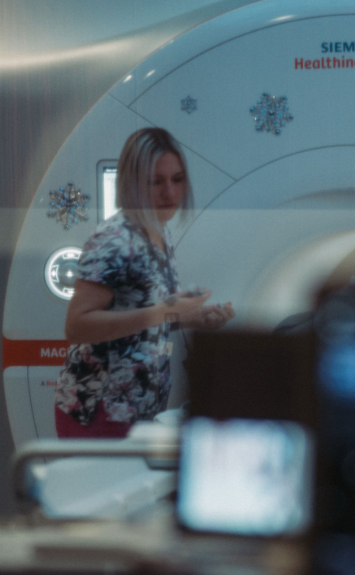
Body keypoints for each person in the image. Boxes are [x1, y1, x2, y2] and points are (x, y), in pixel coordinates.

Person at [55, 127, 234, 438]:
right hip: (99, 412)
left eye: (177, 180)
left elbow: (142, 314)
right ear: (133, 183)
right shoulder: (113, 241)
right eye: (156, 182)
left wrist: (194, 316)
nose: (170, 192)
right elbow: (76, 326)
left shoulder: (159, 232)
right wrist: (164, 312)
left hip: (137, 412)